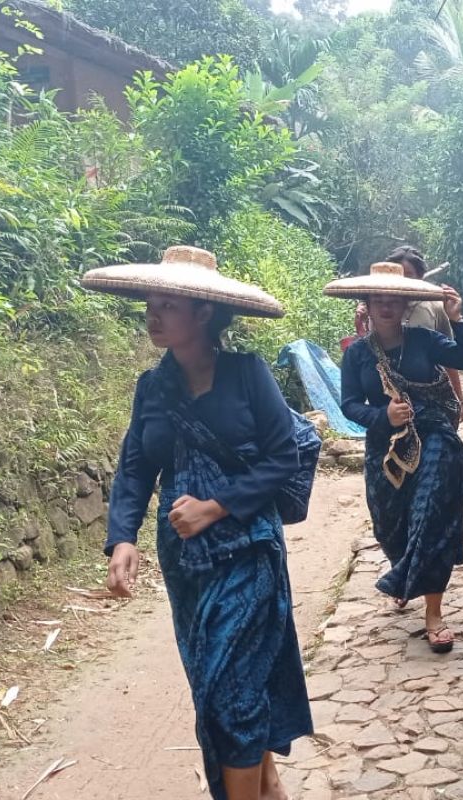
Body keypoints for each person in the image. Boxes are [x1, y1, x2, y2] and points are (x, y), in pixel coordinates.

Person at [81, 246, 312, 800]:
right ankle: (266, 780)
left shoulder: (248, 375)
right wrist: (121, 538)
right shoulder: (152, 388)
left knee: (230, 689)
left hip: (248, 550)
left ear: (204, 312)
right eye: (149, 304)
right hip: (186, 563)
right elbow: (136, 466)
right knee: (217, 682)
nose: (152, 315)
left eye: (166, 304)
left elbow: (283, 457)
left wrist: (217, 505)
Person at [327, 262, 463, 654]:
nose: (385, 305)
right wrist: (382, 416)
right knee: (388, 523)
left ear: (405, 302)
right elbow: (348, 404)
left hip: (434, 435)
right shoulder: (358, 353)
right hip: (385, 443)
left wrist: (457, 317)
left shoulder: (425, 340)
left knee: (430, 513)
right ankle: (405, 569)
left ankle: (434, 613)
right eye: (378, 298)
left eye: (393, 298)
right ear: (367, 303)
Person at [354, 246, 463, 424]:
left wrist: (458, 398)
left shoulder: (435, 308)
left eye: (409, 275)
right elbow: (368, 353)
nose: (403, 282)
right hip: (390, 402)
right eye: (398, 276)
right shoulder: (377, 309)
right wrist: (361, 325)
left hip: (429, 396)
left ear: (420, 276)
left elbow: (450, 359)